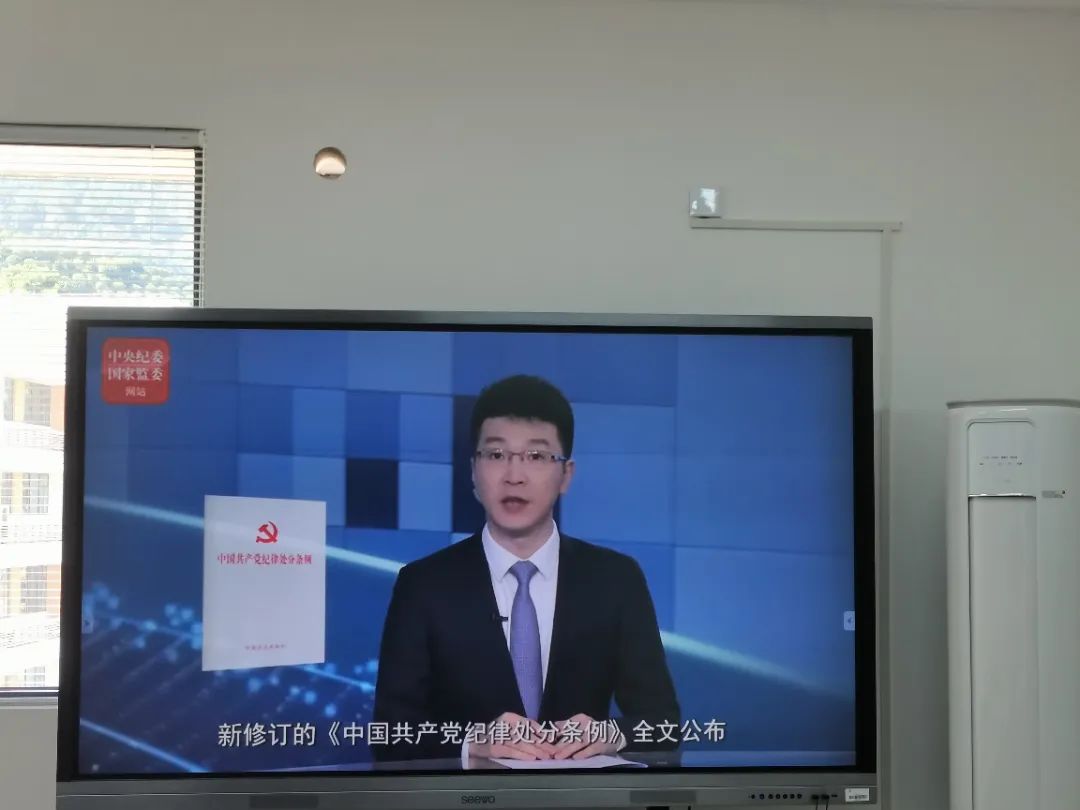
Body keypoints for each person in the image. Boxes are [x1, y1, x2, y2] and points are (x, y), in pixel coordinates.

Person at [373, 374, 679, 763]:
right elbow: (389, 732)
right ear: (473, 470)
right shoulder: (423, 584)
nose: (514, 476)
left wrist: (612, 734)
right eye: (496, 455)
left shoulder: (616, 579)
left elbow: (663, 721)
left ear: (566, 474)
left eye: (536, 456)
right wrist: (472, 743)